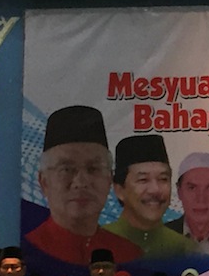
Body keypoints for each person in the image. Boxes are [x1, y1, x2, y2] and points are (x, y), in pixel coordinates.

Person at [25, 105, 142, 266]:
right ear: (44, 182)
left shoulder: (130, 255)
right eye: (66, 169)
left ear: (109, 179)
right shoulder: (28, 253)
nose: (81, 183)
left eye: (93, 169)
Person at [103, 135, 199, 258]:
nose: (155, 190)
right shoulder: (98, 244)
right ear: (119, 190)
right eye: (143, 180)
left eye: (163, 179)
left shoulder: (186, 250)